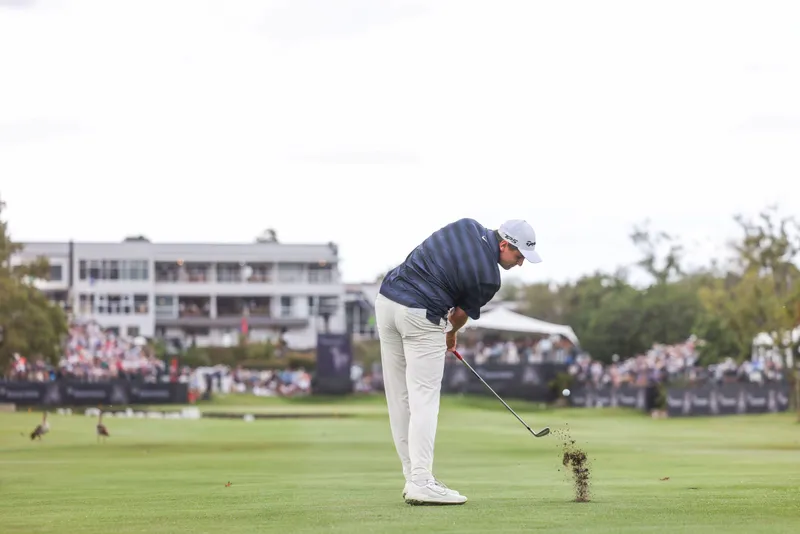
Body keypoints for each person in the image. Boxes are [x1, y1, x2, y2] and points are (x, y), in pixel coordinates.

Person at [374, 218, 542, 505]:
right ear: (504, 244)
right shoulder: (489, 277)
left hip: (386, 301)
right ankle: (421, 480)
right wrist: (450, 334)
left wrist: (448, 329)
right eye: (518, 256)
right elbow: (460, 315)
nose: (520, 263)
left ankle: (414, 477)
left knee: (399, 397)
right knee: (423, 399)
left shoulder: (465, 225)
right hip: (421, 314)